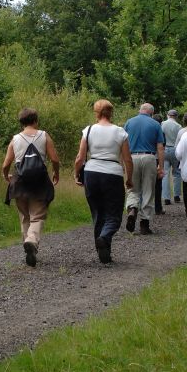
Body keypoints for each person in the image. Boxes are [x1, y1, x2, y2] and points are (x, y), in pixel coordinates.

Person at [73, 99, 133, 264]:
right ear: (111, 113)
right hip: (113, 174)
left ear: (96, 113)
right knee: (114, 214)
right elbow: (127, 159)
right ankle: (105, 237)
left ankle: (103, 250)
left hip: (92, 173)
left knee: (98, 213)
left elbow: (80, 157)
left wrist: (77, 173)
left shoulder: (89, 130)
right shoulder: (120, 132)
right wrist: (129, 179)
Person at [0, 108, 61, 267]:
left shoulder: (15, 139)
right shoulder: (44, 135)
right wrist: (56, 173)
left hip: (19, 182)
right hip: (39, 182)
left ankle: (29, 245)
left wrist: (6, 176)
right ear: (35, 121)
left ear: (21, 123)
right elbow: (54, 159)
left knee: (24, 216)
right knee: (37, 216)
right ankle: (32, 240)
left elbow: (6, 164)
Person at [122, 103, 164, 235]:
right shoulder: (156, 125)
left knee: (132, 188)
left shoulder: (129, 122)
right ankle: (144, 224)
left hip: (132, 157)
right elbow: (160, 148)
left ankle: (132, 209)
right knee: (148, 190)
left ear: (140, 111)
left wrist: (123, 162)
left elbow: (123, 143)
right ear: (151, 113)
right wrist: (161, 167)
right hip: (149, 157)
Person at [161, 109, 182, 207]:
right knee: (177, 172)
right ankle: (177, 195)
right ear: (176, 116)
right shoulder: (179, 126)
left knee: (165, 173)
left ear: (167, 115)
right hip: (175, 149)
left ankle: (166, 197)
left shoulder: (162, 124)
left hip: (164, 149)